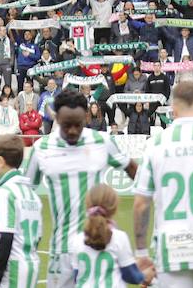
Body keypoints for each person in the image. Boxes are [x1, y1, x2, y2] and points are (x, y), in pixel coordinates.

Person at [24, 89, 138, 288]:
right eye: (66, 125)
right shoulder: (41, 148)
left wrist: (155, 191)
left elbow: (131, 167)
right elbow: (24, 191)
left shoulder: (101, 141)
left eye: (78, 125)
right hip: (62, 250)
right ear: (56, 118)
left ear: (87, 116)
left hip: (99, 243)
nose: (73, 131)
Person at [132, 79, 193, 287]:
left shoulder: (155, 144)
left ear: (173, 110)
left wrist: (141, 253)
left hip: (172, 248)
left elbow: (141, 203)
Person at [0, 134, 43, 288]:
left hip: (12, 271)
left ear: (0, 162)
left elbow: (6, 236)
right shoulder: (31, 193)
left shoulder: (5, 192)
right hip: (30, 265)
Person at [74, 184, 144, 288]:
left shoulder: (77, 239)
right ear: (114, 208)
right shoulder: (119, 237)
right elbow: (131, 276)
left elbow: (76, 276)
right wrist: (144, 275)